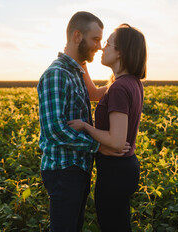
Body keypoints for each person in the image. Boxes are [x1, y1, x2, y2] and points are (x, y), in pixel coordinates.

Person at [37, 12, 130, 232]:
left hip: (77, 168)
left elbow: (96, 93)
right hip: (63, 169)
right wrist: (99, 145)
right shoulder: (56, 74)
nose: (99, 46)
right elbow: (55, 131)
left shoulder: (76, 71)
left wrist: (128, 84)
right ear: (77, 36)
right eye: (95, 39)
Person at [67, 24, 147, 231]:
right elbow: (93, 94)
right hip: (124, 169)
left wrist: (86, 127)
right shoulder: (130, 83)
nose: (102, 48)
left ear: (121, 52)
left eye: (108, 44)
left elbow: (117, 141)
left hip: (115, 173)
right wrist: (82, 60)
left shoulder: (119, 88)